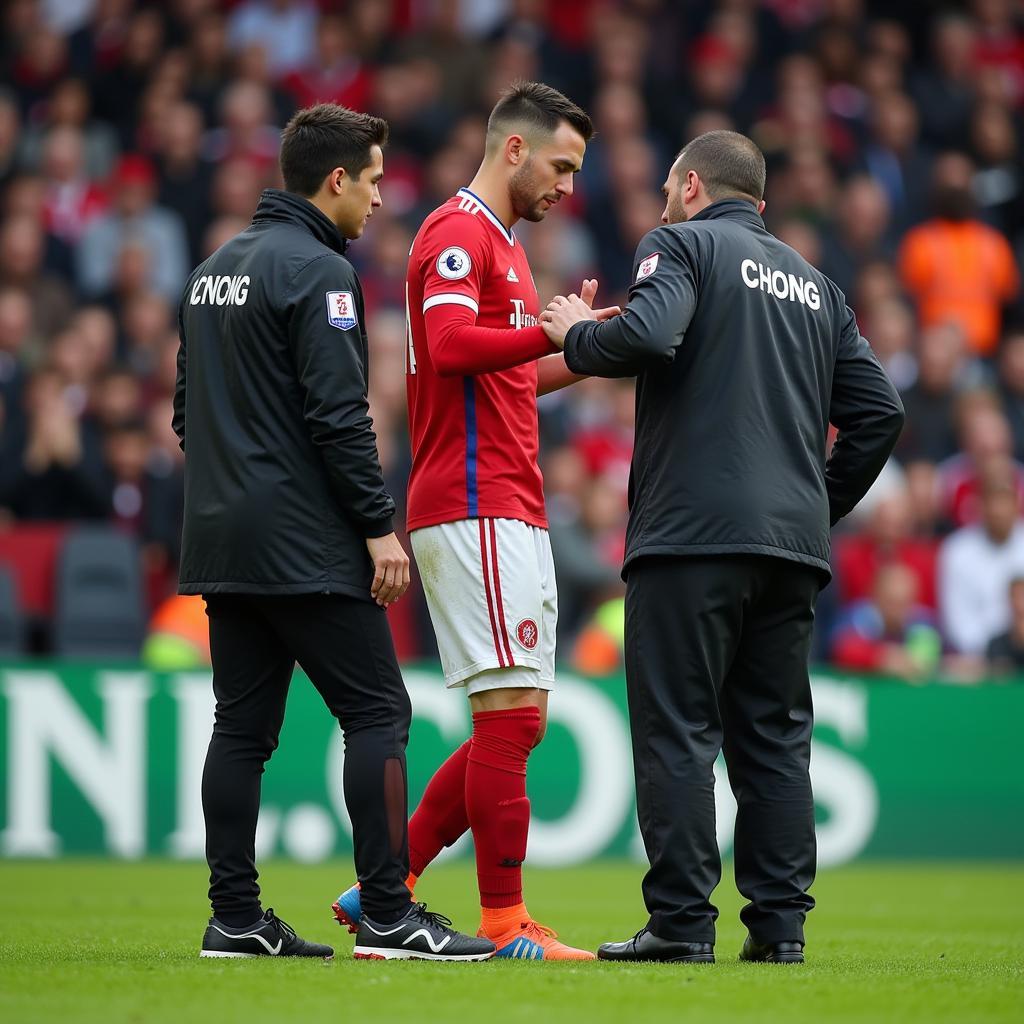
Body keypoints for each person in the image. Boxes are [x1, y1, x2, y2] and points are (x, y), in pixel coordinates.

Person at [541, 130, 905, 964]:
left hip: (690, 537)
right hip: (790, 551)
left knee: (677, 732)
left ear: (692, 185)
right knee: (774, 739)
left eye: (670, 188)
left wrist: (572, 334)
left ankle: (679, 924)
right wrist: (815, 506)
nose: (665, 201)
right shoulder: (816, 286)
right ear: (763, 206)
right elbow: (881, 411)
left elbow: (646, 336)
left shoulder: (679, 244)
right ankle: (779, 932)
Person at [175, 102, 493, 963]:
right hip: (304, 542)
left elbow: (185, 413)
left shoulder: (212, 272)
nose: (383, 200)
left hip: (220, 537)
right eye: (378, 180)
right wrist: (374, 526)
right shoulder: (319, 273)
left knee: (240, 727)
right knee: (379, 710)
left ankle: (233, 918)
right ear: (338, 179)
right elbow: (340, 418)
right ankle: (390, 914)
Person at [332, 82, 616, 961]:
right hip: (470, 496)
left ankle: (387, 884)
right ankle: (502, 923)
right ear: (516, 149)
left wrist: (584, 346)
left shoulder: (500, 244)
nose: (570, 186)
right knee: (511, 719)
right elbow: (453, 350)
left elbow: (509, 378)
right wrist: (547, 331)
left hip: (505, 496)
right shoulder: (459, 234)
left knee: (515, 719)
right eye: (563, 165)